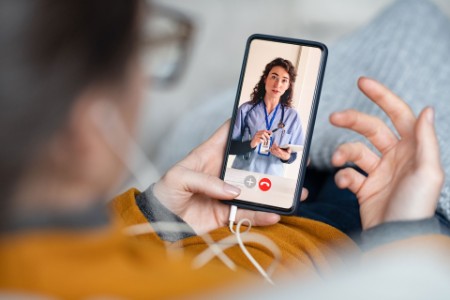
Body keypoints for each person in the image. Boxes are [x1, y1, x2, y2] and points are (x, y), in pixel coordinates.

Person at [0, 1, 449, 299]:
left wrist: (153, 215)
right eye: (147, 51)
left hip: (247, 206)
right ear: (88, 125)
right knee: (414, 28)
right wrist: (407, 237)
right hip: (360, 243)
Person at [230, 58, 304, 176]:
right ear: (265, 79)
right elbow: (230, 147)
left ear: (288, 86)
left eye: (284, 80)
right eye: (274, 77)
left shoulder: (292, 116)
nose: (277, 84)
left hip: (271, 179)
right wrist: (251, 143)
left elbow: (293, 156)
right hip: (242, 173)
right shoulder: (246, 110)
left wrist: (285, 156)